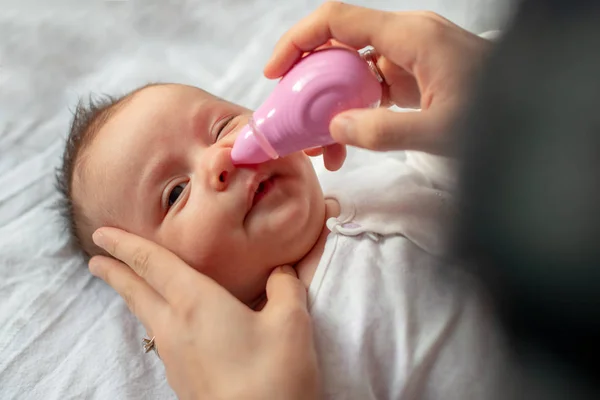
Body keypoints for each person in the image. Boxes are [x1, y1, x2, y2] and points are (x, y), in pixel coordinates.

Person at [78, 2, 510, 399]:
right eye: (175, 192)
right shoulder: (282, 356)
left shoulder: (367, 178)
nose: (221, 158)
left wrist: (478, 95)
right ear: (165, 281)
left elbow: (479, 190)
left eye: (222, 126)